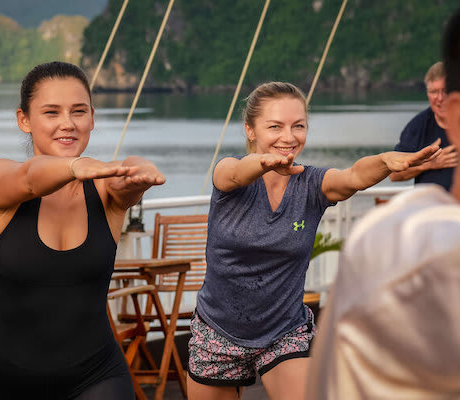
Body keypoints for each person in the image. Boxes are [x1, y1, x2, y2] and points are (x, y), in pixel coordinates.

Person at [185, 82, 441, 400]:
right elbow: (236, 172)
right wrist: (263, 163)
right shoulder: (228, 173)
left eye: (299, 126)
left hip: (284, 330)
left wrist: (385, 162)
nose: (289, 137)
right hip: (218, 330)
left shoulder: (311, 183)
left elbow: (352, 177)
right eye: (275, 126)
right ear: (250, 130)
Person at [306, 2, 460, 398]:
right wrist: (428, 162)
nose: (435, 100)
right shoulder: (405, 264)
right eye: (432, 93)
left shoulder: (382, 248)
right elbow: (395, 169)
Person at [0, 61, 165, 400]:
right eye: (51, 112)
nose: (68, 124)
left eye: (78, 111)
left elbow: (128, 182)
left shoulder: (106, 191)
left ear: (93, 117)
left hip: (96, 375)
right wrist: (76, 166)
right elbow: (30, 178)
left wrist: (140, 171)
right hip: (4, 379)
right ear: (24, 120)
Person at [390, 61, 458, 190]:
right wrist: (429, 164)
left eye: (445, 91)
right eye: (434, 92)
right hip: (430, 207)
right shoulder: (417, 126)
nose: (440, 98)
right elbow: (394, 175)